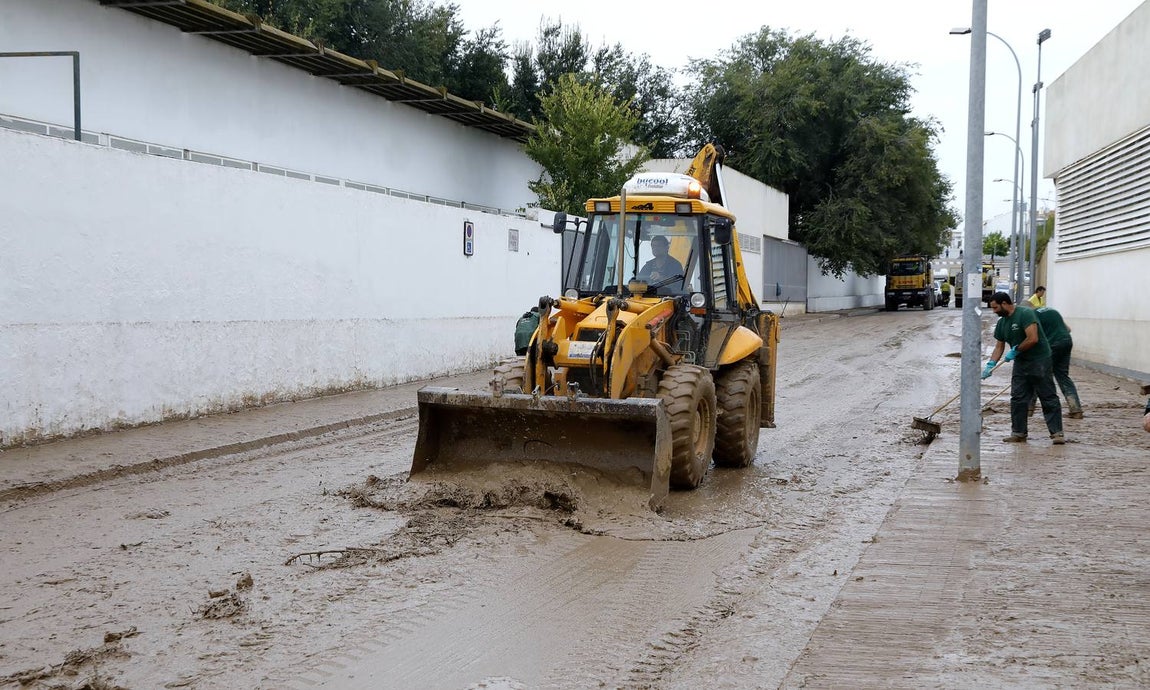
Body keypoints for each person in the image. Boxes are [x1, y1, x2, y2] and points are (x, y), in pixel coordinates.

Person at [983, 291, 1064, 444]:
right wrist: (990, 365)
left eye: (995, 308)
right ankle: (1018, 433)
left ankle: (1057, 433)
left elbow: (1033, 338)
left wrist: (1016, 350)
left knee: (1047, 396)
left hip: (1039, 359)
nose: (994, 311)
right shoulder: (1002, 323)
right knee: (1018, 397)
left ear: (1005, 304)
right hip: (1021, 362)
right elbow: (999, 347)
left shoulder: (1025, 314)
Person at [1027, 306, 1083, 418]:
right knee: (1063, 376)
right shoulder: (1052, 311)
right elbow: (1068, 329)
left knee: (1037, 375)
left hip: (1052, 345)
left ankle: (1028, 409)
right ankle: (1075, 409)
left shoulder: (1031, 316)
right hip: (1066, 342)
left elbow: (1033, 337)